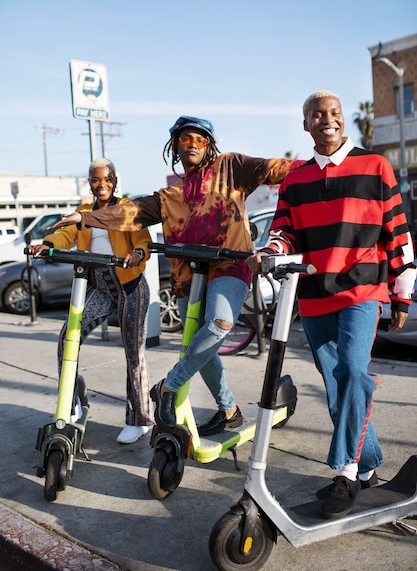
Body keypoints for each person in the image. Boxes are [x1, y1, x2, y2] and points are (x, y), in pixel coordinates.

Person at [44, 116, 302, 437]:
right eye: (185, 139)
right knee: (200, 346)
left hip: (229, 267)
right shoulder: (170, 196)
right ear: (175, 146)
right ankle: (229, 410)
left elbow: (278, 168)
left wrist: (327, 164)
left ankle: (167, 387)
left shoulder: (230, 167)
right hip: (186, 277)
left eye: (200, 139)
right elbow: (130, 212)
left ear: (209, 145)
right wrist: (85, 217)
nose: (192, 144)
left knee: (219, 324)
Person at [247, 91, 416, 520]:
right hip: (314, 292)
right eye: (317, 115)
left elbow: (397, 233)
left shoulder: (375, 166)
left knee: (354, 372)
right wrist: (271, 250)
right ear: (306, 125)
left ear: (344, 121)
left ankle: (346, 470)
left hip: (363, 288)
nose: (328, 120)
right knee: (335, 381)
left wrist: (401, 293)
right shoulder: (296, 179)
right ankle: (370, 462)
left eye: (335, 114)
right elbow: (284, 230)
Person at [30, 158, 154, 444]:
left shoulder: (126, 208)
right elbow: (66, 233)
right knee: (67, 338)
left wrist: (137, 252)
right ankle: (71, 401)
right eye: (96, 180)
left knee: (134, 353)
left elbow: (143, 239)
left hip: (130, 286)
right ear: (90, 182)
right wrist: (47, 244)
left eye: (107, 179)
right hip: (101, 286)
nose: (102, 185)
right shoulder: (84, 212)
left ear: (115, 181)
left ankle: (139, 420)